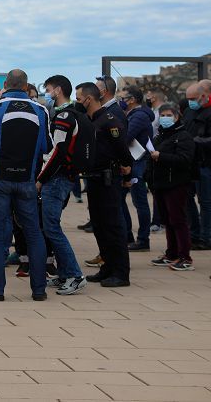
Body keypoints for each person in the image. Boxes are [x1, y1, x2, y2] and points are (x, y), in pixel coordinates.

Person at [0, 69, 51, 302]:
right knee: (34, 233)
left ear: (6, 84)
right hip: (27, 179)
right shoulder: (41, 110)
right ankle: (39, 290)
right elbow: (47, 146)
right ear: (27, 86)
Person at [35, 75, 91, 295]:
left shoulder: (64, 115)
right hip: (65, 176)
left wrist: (41, 178)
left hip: (57, 178)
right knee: (51, 226)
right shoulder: (73, 113)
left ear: (57, 90)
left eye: (48, 89)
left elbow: (58, 151)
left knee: (52, 227)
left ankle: (75, 275)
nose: (47, 93)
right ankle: (66, 273)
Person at [77, 81, 134, 288]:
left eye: (79, 98)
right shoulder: (89, 120)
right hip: (94, 177)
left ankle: (121, 272)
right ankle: (107, 267)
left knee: (113, 226)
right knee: (99, 225)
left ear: (89, 99)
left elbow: (123, 150)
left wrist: (128, 170)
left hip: (108, 179)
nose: (78, 102)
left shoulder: (109, 120)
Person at [150, 104, 196, 271]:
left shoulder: (183, 136)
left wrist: (161, 156)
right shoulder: (161, 135)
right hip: (161, 184)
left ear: (176, 117)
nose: (165, 118)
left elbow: (184, 160)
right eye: (162, 115)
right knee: (168, 221)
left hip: (176, 184)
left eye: (168, 115)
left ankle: (185, 257)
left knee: (178, 220)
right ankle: (172, 253)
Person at [119, 86, 154, 251]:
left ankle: (143, 240)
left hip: (138, 163)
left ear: (132, 100)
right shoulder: (134, 114)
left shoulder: (139, 116)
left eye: (124, 98)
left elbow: (126, 137)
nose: (121, 101)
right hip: (133, 162)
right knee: (122, 200)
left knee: (140, 202)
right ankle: (128, 236)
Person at [183, 80, 211, 251]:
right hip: (189, 163)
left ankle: (206, 237)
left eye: (192, 98)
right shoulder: (188, 111)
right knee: (187, 200)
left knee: (206, 203)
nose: (190, 101)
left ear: (203, 96)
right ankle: (193, 234)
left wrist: (193, 142)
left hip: (205, 164)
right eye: (187, 99)